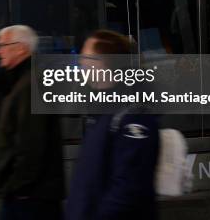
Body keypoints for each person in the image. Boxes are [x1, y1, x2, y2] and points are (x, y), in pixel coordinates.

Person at [65, 30, 159, 220]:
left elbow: (128, 189)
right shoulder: (99, 109)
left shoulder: (134, 115)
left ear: (102, 62)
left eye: (86, 57)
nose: (81, 62)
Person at [0, 25, 64, 220]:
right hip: (27, 194)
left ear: (21, 48)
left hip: (30, 197)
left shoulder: (32, 83)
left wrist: (17, 187)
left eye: (3, 45)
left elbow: (32, 142)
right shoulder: (23, 81)